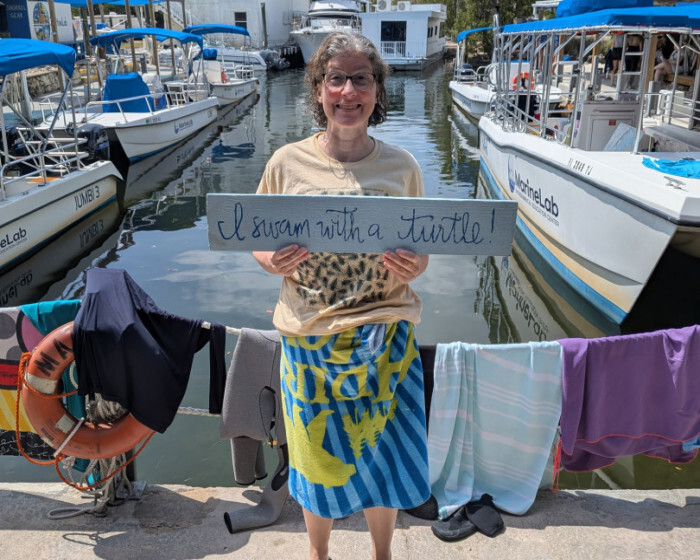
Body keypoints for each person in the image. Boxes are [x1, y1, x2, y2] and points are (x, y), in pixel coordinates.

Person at [252, 32, 431, 560]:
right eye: (336, 78)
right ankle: (319, 554)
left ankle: (382, 554)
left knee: (382, 461)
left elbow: (422, 255)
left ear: (377, 91)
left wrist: (413, 265)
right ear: (319, 90)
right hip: (310, 340)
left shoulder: (403, 168)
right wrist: (273, 260)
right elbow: (255, 240)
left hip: (387, 341)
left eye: (361, 78)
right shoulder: (285, 163)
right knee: (314, 461)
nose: (348, 90)